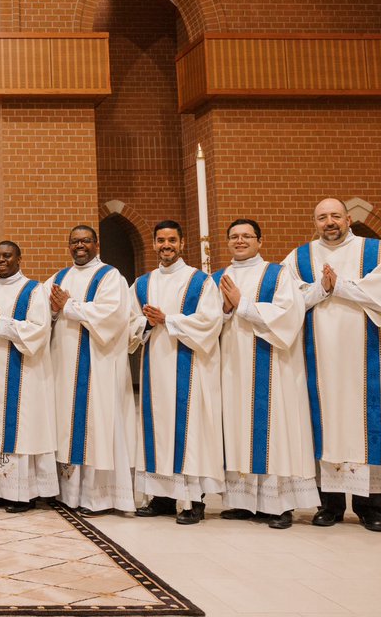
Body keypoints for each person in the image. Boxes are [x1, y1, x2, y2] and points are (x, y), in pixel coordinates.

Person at [283, 198, 381, 532]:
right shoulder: (299, 257)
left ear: (347, 219)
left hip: (366, 357)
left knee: (369, 424)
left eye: (335, 216)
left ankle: (371, 508)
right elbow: (285, 300)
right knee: (325, 426)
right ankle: (329, 505)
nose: (329, 222)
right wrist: (321, 288)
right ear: (313, 222)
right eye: (321, 217)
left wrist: (340, 286)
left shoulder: (376, 250)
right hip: (319, 360)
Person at [215, 219, 317, 529]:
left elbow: (289, 315)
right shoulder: (217, 278)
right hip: (231, 367)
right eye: (234, 236)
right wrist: (225, 310)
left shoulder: (278, 274)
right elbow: (206, 321)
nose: (240, 241)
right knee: (235, 429)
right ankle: (243, 502)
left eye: (247, 236)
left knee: (274, 430)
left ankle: (279, 505)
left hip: (271, 366)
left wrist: (241, 305)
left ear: (260, 241)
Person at [130, 221, 224, 525]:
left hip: (190, 368)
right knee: (157, 429)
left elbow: (211, 323)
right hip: (155, 367)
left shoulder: (200, 282)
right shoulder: (142, 284)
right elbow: (127, 323)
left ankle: (194, 500)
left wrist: (167, 319)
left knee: (191, 429)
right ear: (155, 244)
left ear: (182, 243)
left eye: (171, 240)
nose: (165, 245)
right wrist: (145, 323)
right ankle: (161, 498)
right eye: (160, 240)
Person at [48, 225, 135, 516]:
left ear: (97, 244)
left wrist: (68, 307)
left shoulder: (111, 277)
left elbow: (112, 316)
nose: (80, 246)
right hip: (64, 367)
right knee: (66, 425)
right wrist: (50, 310)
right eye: (74, 242)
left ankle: (98, 497)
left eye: (86, 241)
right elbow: (40, 308)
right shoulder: (60, 278)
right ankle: (68, 494)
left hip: (98, 366)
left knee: (98, 424)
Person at [0, 240, 56, 513]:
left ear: (19, 258)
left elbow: (39, 330)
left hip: (24, 369)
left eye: (7, 256)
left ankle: (25, 493)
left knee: (22, 428)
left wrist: (1, 322)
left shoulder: (34, 290)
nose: (1, 260)